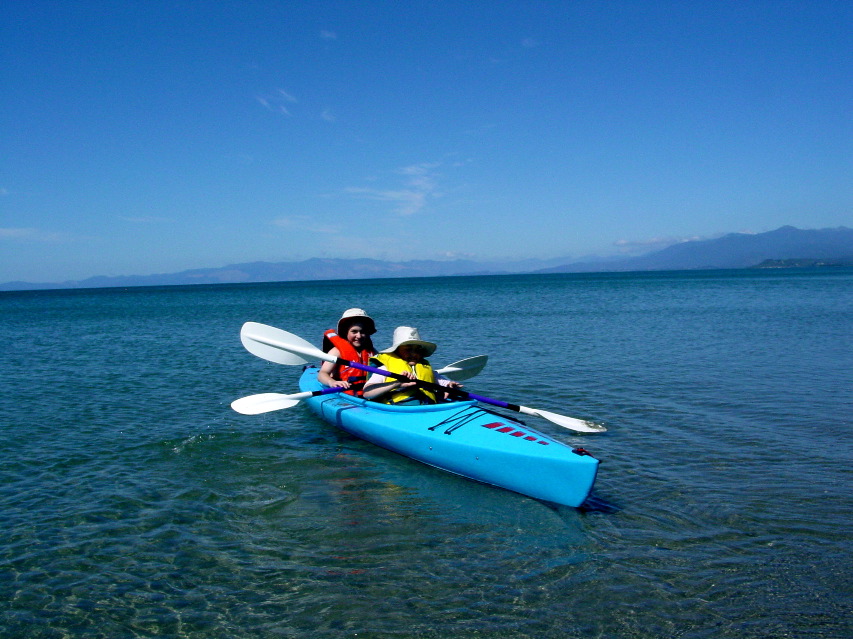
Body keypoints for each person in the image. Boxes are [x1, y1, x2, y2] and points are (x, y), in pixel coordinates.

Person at [362, 326, 461, 404]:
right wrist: (397, 383)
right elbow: (367, 393)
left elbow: (441, 381)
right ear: (397, 351)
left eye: (417, 349)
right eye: (408, 349)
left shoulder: (425, 368)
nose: (414, 354)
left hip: (428, 410)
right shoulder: (385, 369)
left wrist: (449, 385)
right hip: (399, 411)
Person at [317, 308, 377, 396]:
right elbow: (322, 373)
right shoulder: (337, 352)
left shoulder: (372, 352)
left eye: (362, 332)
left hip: (368, 394)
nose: (359, 336)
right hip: (344, 394)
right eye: (354, 331)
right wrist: (332, 382)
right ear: (346, 332)